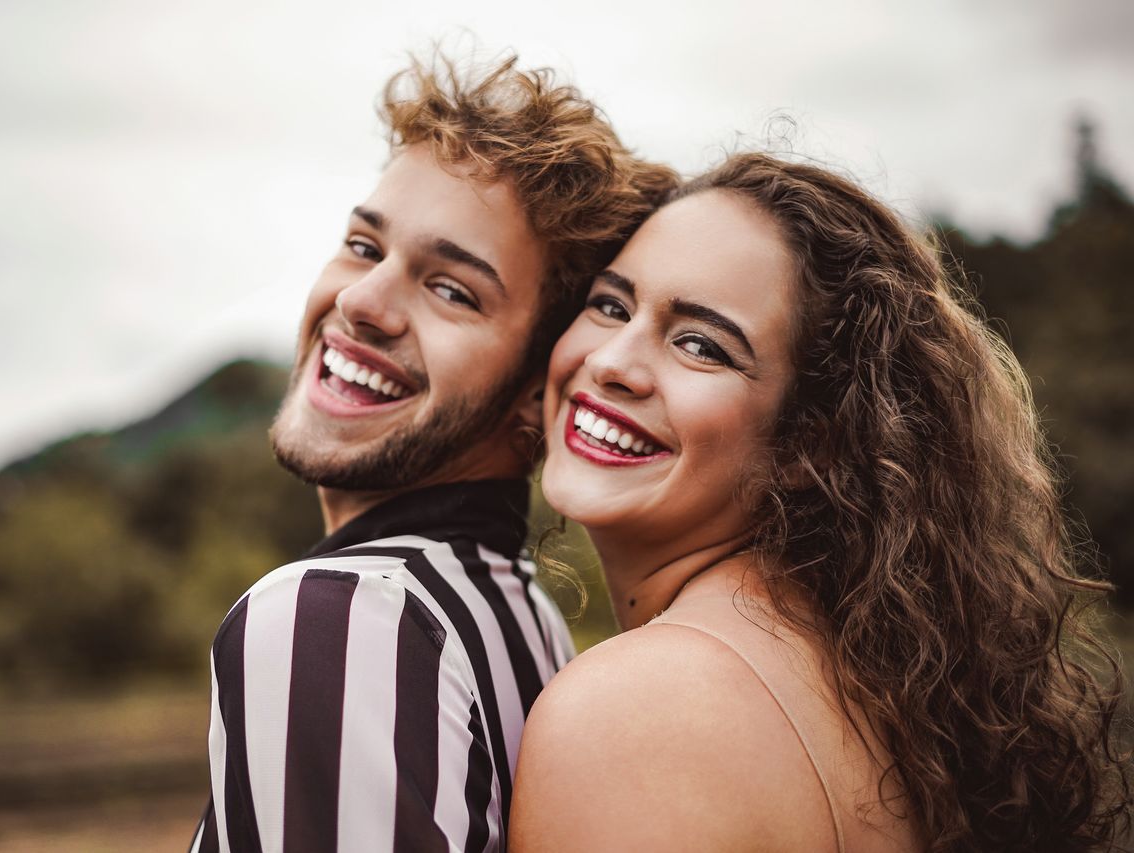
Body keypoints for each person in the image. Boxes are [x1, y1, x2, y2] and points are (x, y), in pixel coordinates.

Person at [510, 153, 1132, 852]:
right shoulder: (874, 677)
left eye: (700, 345)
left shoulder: (634, 713)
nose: (613, 362)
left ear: (811, 442)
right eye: (610, 304)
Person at [188, 54, 678, 852]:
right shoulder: (526, 619)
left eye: (452, 289)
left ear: (537, 392)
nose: (361, 300)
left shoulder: (335, 618)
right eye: (361, 244)